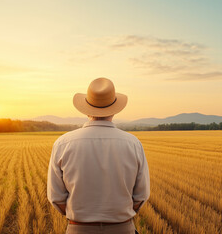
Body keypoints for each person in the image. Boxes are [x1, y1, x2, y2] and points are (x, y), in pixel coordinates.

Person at [47, 77, 150, 234]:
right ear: (115, 109)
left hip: (78, 229)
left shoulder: (63, 143)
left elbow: (57, 198)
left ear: (86, 109)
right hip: (122, 229)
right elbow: (140, 197)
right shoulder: (133, 143)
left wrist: (82, 218)